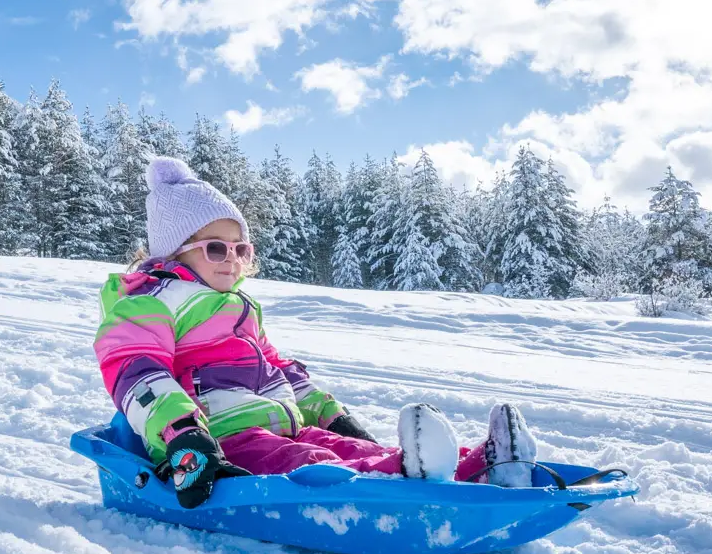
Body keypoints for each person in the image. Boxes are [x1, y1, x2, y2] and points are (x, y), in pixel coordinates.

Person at [93, 157, 543, 508]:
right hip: (222, 440)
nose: (232, 259)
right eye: (215, 248)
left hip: (283, 427)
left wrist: (331, 415)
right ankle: (411, 480)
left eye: (241, 248)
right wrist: (184, 436)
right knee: (315, 465)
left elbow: (280, 371)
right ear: (175, 252)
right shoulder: (150, 301)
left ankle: (485, 467)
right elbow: (137, 372)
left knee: (338, 447)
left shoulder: (240, 307)